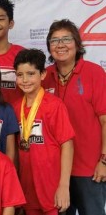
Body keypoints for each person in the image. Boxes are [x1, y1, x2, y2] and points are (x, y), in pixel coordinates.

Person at [42, 19, 106, 215]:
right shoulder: (44, 76)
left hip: (89, 170)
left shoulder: (94, 72)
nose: (60, 45)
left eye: (66, 39)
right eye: (54, 40)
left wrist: (104, 161)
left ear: (77, 44)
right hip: (55, 171)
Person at [13, 48, 74, 215]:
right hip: (27, 189)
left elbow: (67, 145)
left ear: (43, 75)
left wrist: (63, 186)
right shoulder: (15, 107)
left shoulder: (54, 106)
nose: (25, 80)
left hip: (51, 188)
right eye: (20, 75)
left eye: (31, 74)